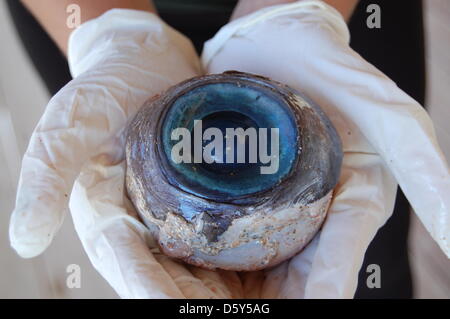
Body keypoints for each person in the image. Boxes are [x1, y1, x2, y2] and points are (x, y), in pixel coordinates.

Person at [7, 0, 450, 298]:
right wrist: (110, 29)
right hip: (92, 23)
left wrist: (298, 7)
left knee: (366, 255)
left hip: (330, 28)